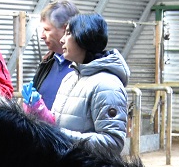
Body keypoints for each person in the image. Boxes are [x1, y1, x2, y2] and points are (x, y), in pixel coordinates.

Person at [46, 13, 130, 154]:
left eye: (68, 33)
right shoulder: (70, 78)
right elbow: (56, 124)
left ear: (83, 36)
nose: (61, 40)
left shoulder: (107, 85)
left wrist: (59, 135)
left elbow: (112, 143)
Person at [31, 0, 78, 109]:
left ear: (66, 29)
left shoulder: (86, 66)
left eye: (47, 29)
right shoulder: (48, 62)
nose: (42, 36)